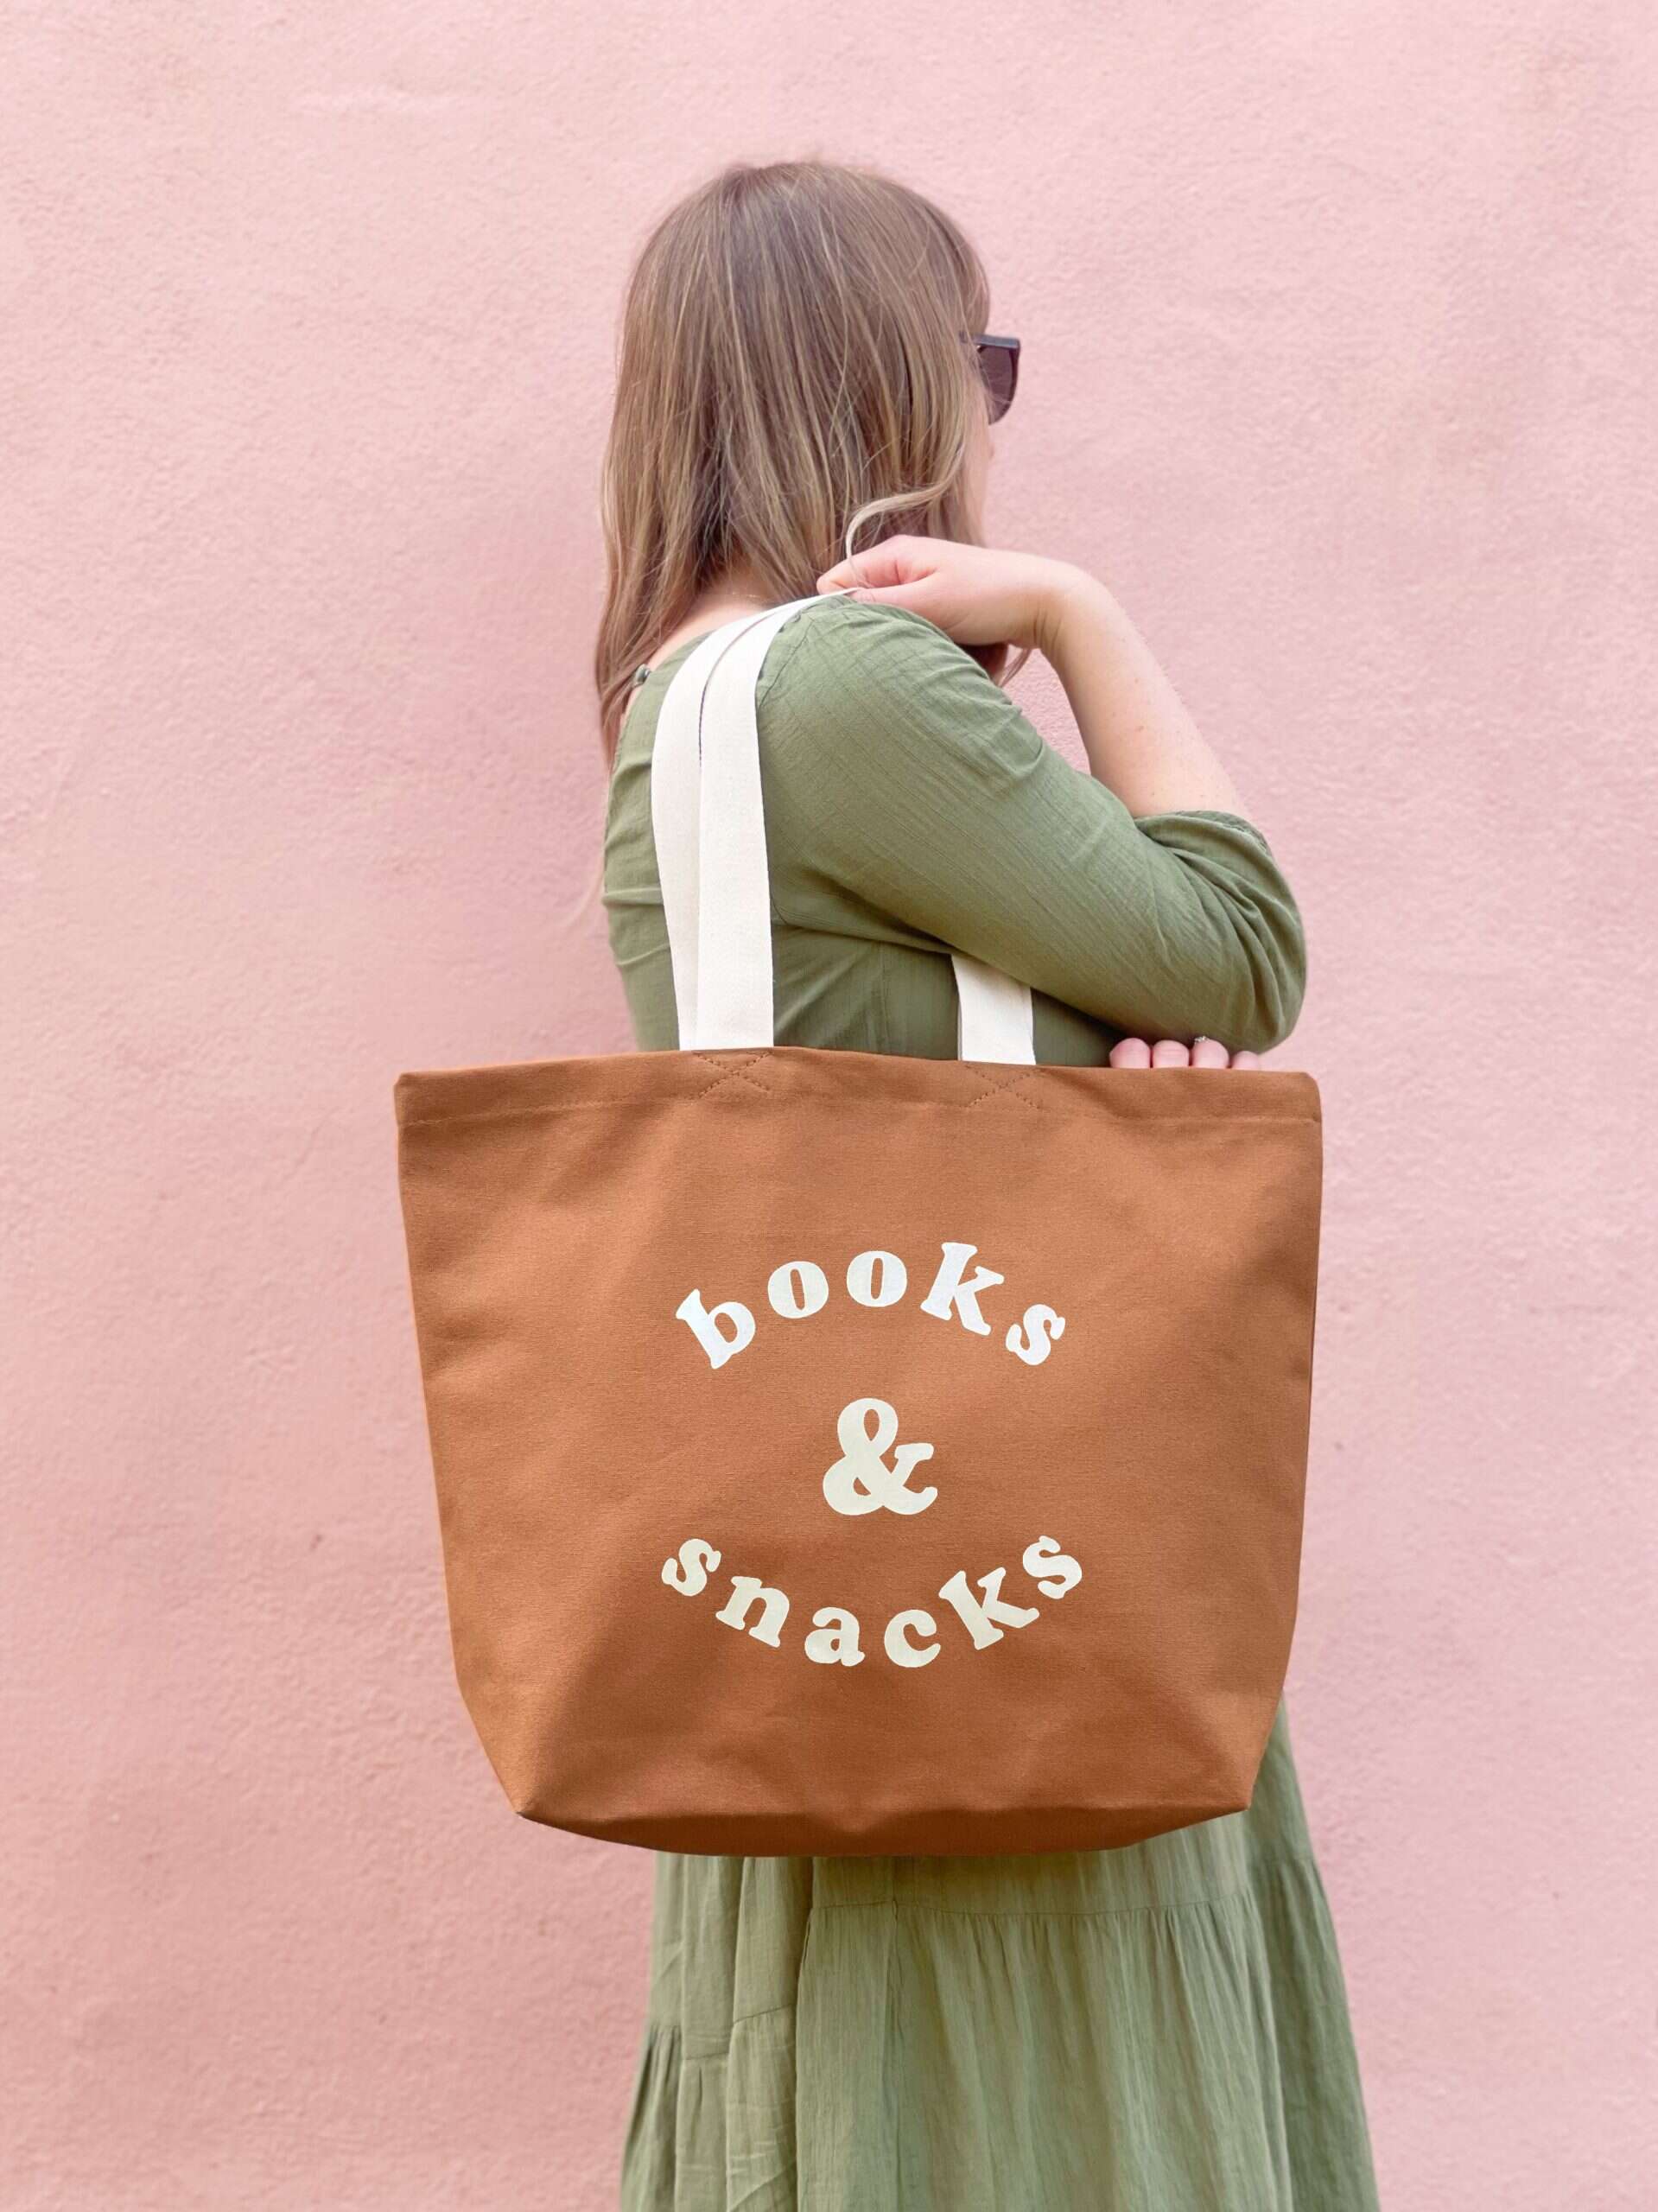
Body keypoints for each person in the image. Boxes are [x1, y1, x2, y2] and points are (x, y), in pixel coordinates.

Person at [598, 158, 1379, 2212]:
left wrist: (1098, 1083)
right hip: (1020, 1570)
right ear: (878, 385)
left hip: (856, 1591)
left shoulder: (672, 704)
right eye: (982, 365)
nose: (989, 415)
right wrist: (1071, 609)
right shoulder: (860, 688)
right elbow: (1239, 946)